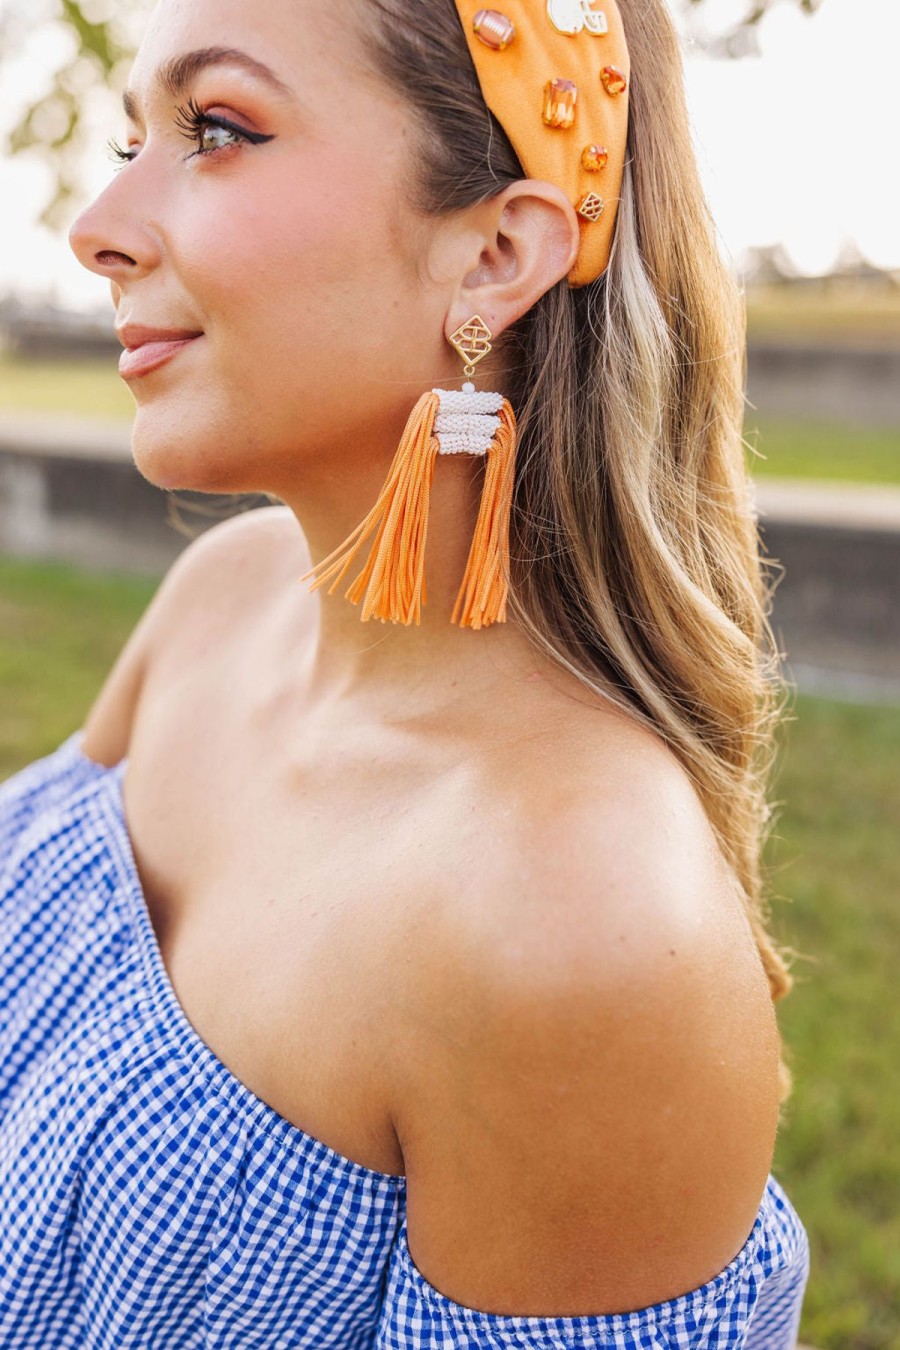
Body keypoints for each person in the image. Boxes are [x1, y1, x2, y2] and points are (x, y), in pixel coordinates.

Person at [0, 0, 811, 1345]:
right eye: (135, 132)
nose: (96, 223)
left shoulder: (579, 925)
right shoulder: (220, 601)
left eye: (216, 129)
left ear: (495, 254)